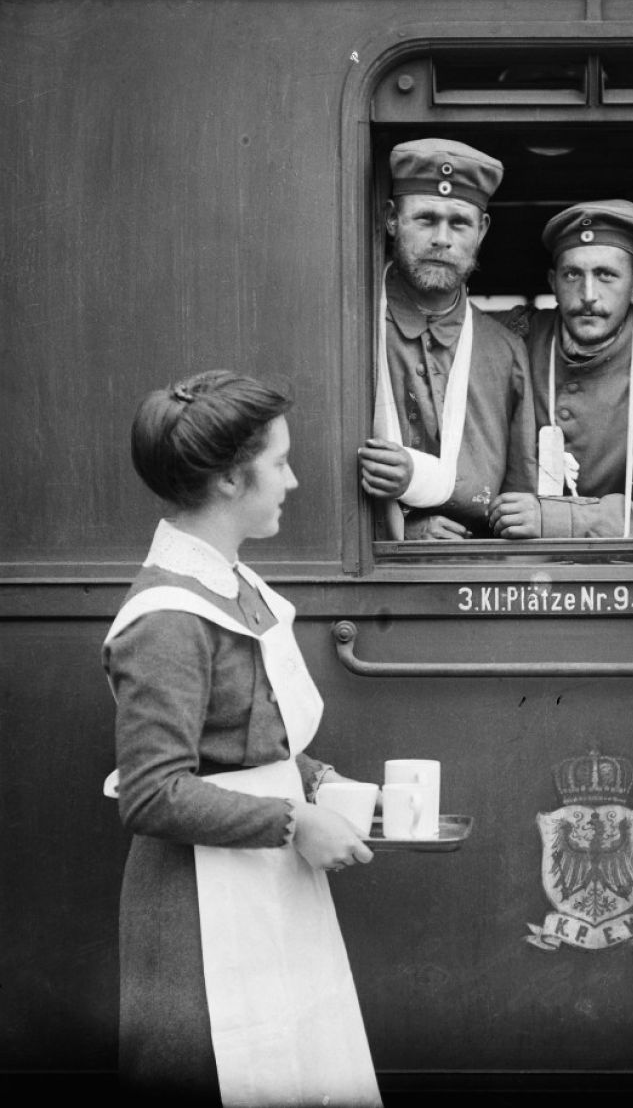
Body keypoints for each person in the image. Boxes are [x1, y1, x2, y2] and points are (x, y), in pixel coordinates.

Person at [102, 370, 382, 1107]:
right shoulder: (167, 616)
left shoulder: (230, 583)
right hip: (199, 909)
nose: (292, 481)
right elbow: (151, 793)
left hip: (264, 881)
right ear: (230, 478)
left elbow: (244, 733)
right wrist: (293, 820)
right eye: (280, 463)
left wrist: (317, 783)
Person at [488, 200, 633, 540]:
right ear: (553, 281)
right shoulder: (512, 341)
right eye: (572, 274)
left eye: (606, 275)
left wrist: (557, 520)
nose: (588, 295)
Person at [358, 137, 536, 540]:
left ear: (482, 230)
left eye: (459, 223)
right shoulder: (354, 327)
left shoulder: (504, 351)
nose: (442, 238)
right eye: (425, 219)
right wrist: (404, 528)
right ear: (391, 220)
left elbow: (517, 500)